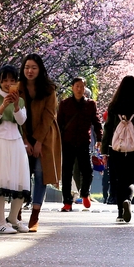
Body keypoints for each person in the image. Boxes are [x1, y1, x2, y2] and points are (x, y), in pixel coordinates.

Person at [0, 64, 31, 234]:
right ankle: (1, 222)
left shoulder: (21, 100)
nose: (8, 84)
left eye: (12, 80)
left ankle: (13, 218)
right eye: (5, 80)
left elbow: (22, 121)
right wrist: (3, 105)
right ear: (0, 80)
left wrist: (16, 105)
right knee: (0, 181)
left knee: (20, 181)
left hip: (16, 141)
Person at [20, 54, 61, 232]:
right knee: (21, 174)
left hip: (44, 137)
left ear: (40, 70)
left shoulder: (49, 89)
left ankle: (35, 213)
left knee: (40, 174)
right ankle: (17, 210)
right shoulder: (17, 88)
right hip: (21, 136)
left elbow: (48, 116)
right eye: (27, 67)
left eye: (34, 67)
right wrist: (25, 140)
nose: (30, 71)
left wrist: (37, 142)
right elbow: (14, 116)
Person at [58, 77, 103, 212]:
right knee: (66, 172)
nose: (79, 89)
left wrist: (99, 138)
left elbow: (96, 122)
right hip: (68, 142)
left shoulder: (90, 104)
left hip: (84, 141)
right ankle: (67, 202)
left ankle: (85, 194)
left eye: (82, 87)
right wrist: (58, 141)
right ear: (72, 87)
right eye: (77, 86)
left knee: (88, 170)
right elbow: (59, 123)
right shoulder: (65, 104)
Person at [101, 75, 134, 223]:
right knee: (129, 180)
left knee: (117, 181)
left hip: (115, 148)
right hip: (133, 148)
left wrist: (104, 151)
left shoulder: (113, 106)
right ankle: (128, 201)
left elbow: (107, 129)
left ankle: (120, 213)